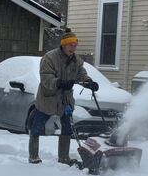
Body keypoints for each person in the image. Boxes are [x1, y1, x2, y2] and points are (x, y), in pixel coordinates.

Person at [29, 29, 99, 165]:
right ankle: (33, 155)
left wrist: (89, 83)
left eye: (75, 45)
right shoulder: (49, 58)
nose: (73, 48)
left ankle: (64, 157)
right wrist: (59, 82)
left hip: (65, 99)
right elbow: (46, 78)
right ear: (63, 45)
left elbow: (81, 74)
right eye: (70, 45)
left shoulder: (76, 60)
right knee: (37, 127)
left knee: (67, 128)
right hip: (47, 98)